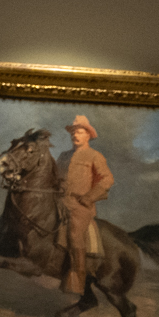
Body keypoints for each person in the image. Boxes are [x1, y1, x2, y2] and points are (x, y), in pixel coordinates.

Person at [58, 113, 113, 296]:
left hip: (81, 205)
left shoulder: (94, 156)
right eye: (73, 132)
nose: (75, 135)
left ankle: (77, 279)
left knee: (75, 233)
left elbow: (107, 179)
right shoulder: (64, 156)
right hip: (60, 200)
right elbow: (56, 177)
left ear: (88, 135)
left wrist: (89, 197)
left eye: (80, 132)